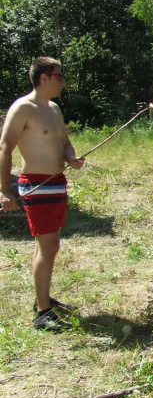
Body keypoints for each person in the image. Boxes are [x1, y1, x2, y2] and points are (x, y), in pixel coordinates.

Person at [0, 57, 84, 332]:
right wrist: (4, 190)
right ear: (44, 77)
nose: (63, 81)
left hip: (57, 183)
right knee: (48, 247)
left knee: (48, 245)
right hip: (36, 185)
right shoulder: (23, 108)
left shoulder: (55, 109)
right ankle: (42, 313)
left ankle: (42, 297)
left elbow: (65, 142)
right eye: (59, 76)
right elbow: (5, 148)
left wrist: (71, 157)